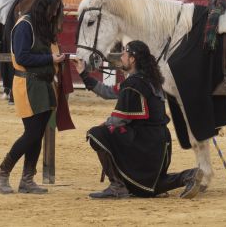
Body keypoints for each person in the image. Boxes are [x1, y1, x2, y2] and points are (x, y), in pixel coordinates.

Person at [75, 40, 203, 199]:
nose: (121, 56)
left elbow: (117, 121)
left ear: (132, 59)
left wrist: (104, 125)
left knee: (97, 134)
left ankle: (117, 186)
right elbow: (108, 92)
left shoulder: (133, 84)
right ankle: (187, 176)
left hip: (146, 145)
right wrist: (83, 74)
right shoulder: (149, 80)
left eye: (124, 54)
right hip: (160, 145)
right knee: (145, 187)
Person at [0, 0, 65, 195]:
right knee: (32, 133)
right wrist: (51, 59)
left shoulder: (40, 26)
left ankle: (27, 180)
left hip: (42, 84)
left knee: (38, 133)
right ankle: (2, 173)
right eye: (54, 8)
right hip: (27, 84)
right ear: (45, 6)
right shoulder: (25, 25)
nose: (54, 13)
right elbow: (22, 58)